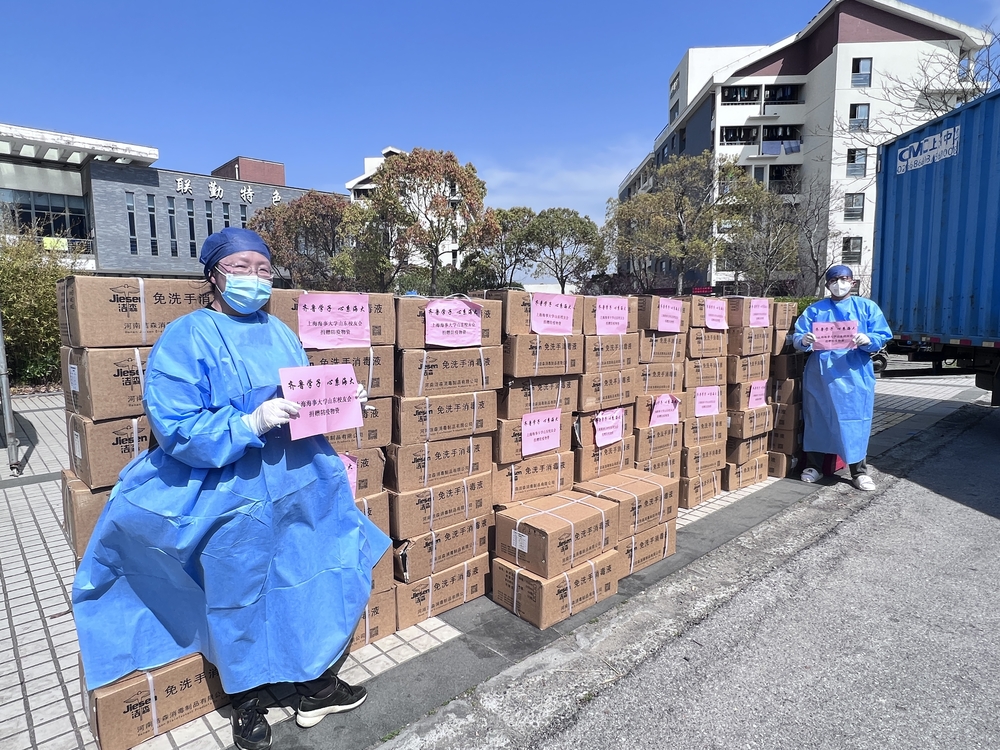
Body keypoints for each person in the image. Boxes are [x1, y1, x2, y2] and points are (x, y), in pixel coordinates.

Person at [72, 228, 391, 750]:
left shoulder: (282, 332)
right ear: (214, 274)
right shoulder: (186, 336)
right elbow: (175, 425)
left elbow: (302, 392)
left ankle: (313, 683)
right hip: (229, 489)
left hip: (300, 480)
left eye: (265, 270)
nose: (256, 279)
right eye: (242, 267)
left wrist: (338, 398)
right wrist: (250, 423)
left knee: (315, 573)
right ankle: (247, 700)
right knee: (237, 592)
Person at [792, 265, 892, 491]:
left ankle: (859, 471)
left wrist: (869, 339)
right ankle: (815, 466)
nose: (839, 283)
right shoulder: (816, 310)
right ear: (827, 284)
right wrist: (804, 340)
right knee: (818, 418)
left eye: (844, 278)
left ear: (853, 282)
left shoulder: (866, 307)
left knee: (855, 421)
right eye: (834, 279)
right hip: (821, 375)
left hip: (854, 374)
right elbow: (797, 338)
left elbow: (882, 335)